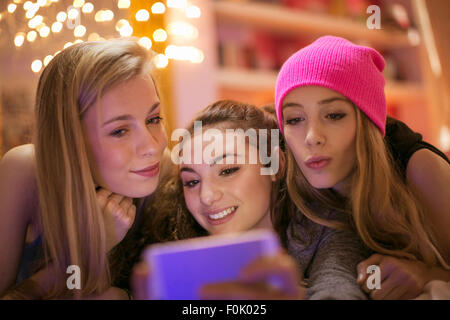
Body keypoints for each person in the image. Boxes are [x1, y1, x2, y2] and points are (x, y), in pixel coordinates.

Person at [130, 100, 372, 300]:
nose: (206, 197)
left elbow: (338, 288)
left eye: (228, 170)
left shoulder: (329, 229)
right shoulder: (173, 249)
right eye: (192, 182)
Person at [274, 35, 450, 299]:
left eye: (334, 115)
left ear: (367, 121)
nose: (312, 137)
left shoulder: (420, 167)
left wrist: (426, 273)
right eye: (294, 119)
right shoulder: (288, 180)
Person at [0, 39, 168, 299]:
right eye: (119, 131)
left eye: (153, 119)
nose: (151, 146)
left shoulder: (164, 167)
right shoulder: (25, 171)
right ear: (69, 138)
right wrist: (90, 248)